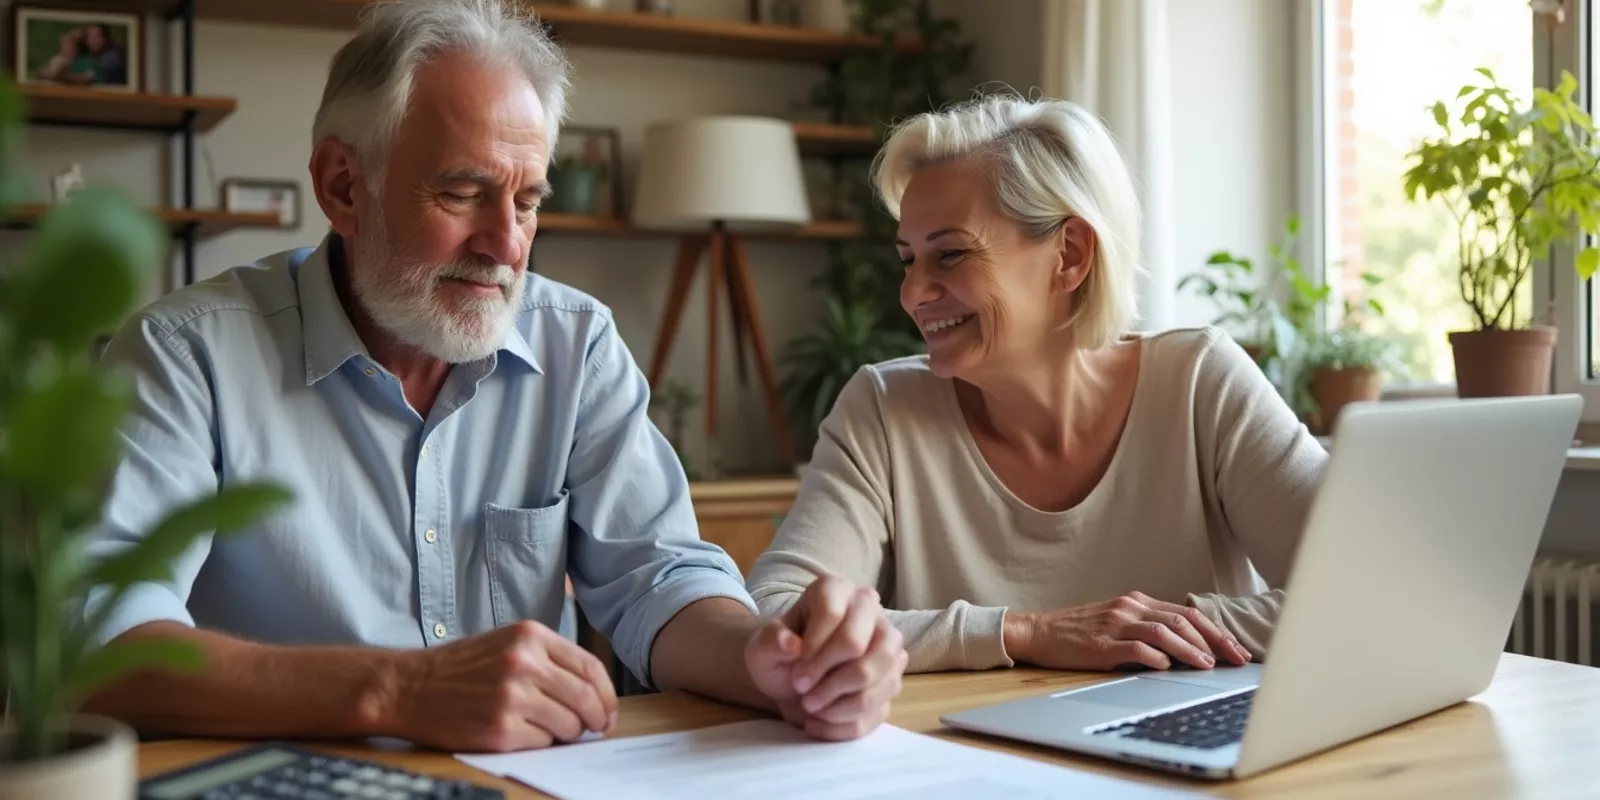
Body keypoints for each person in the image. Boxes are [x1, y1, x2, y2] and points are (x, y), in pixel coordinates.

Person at [79, 0, 905, 751]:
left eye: (529, 201)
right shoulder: (184, 354)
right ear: (343, 186)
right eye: (463, 191)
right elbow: (98, 646)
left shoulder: (575, 343)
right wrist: (400, 689)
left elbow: (659, 578)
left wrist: (765, 656)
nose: (507, 245)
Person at [745, 94, 1330, 675]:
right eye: (908, 259)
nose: (912, 293)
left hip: (1180, 756)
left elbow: (1367, 584)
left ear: (1069, 255)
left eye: (949, 255)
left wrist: (1150, 634)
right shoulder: (883, 410)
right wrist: (1027, 632)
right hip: (961, 756)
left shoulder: (1201, 382)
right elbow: (778, 619)